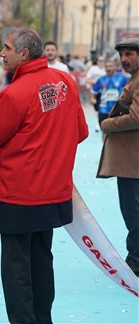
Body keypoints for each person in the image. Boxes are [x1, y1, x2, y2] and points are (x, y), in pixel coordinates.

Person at [0, 27, 88, 323]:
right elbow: (80, 132)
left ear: (24, 53)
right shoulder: (65, 82)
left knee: (17, 268)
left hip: (18, 195)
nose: (1, 53)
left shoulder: (15, 92)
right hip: (53, 193)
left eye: (6, 48)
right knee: (42, 261)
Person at [97, 38, 139, 276]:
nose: (124, 59)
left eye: (130, 54)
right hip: (131, 159)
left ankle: (136, 260)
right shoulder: (133, 78)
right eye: (122, 55)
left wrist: (108, 124)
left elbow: (136, 117)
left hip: (132, 161)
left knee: (133, 211)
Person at [90, 59, 128, 131]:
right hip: (103, 110)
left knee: (117, 132)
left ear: (115, 67)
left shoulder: (123, 78)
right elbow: (93, 91)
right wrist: (92, 98)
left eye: (110, 66)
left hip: (118, 109)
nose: (108, 68)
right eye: (106, 66)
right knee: (104, 131)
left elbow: (129, 89)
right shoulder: (101, 79)